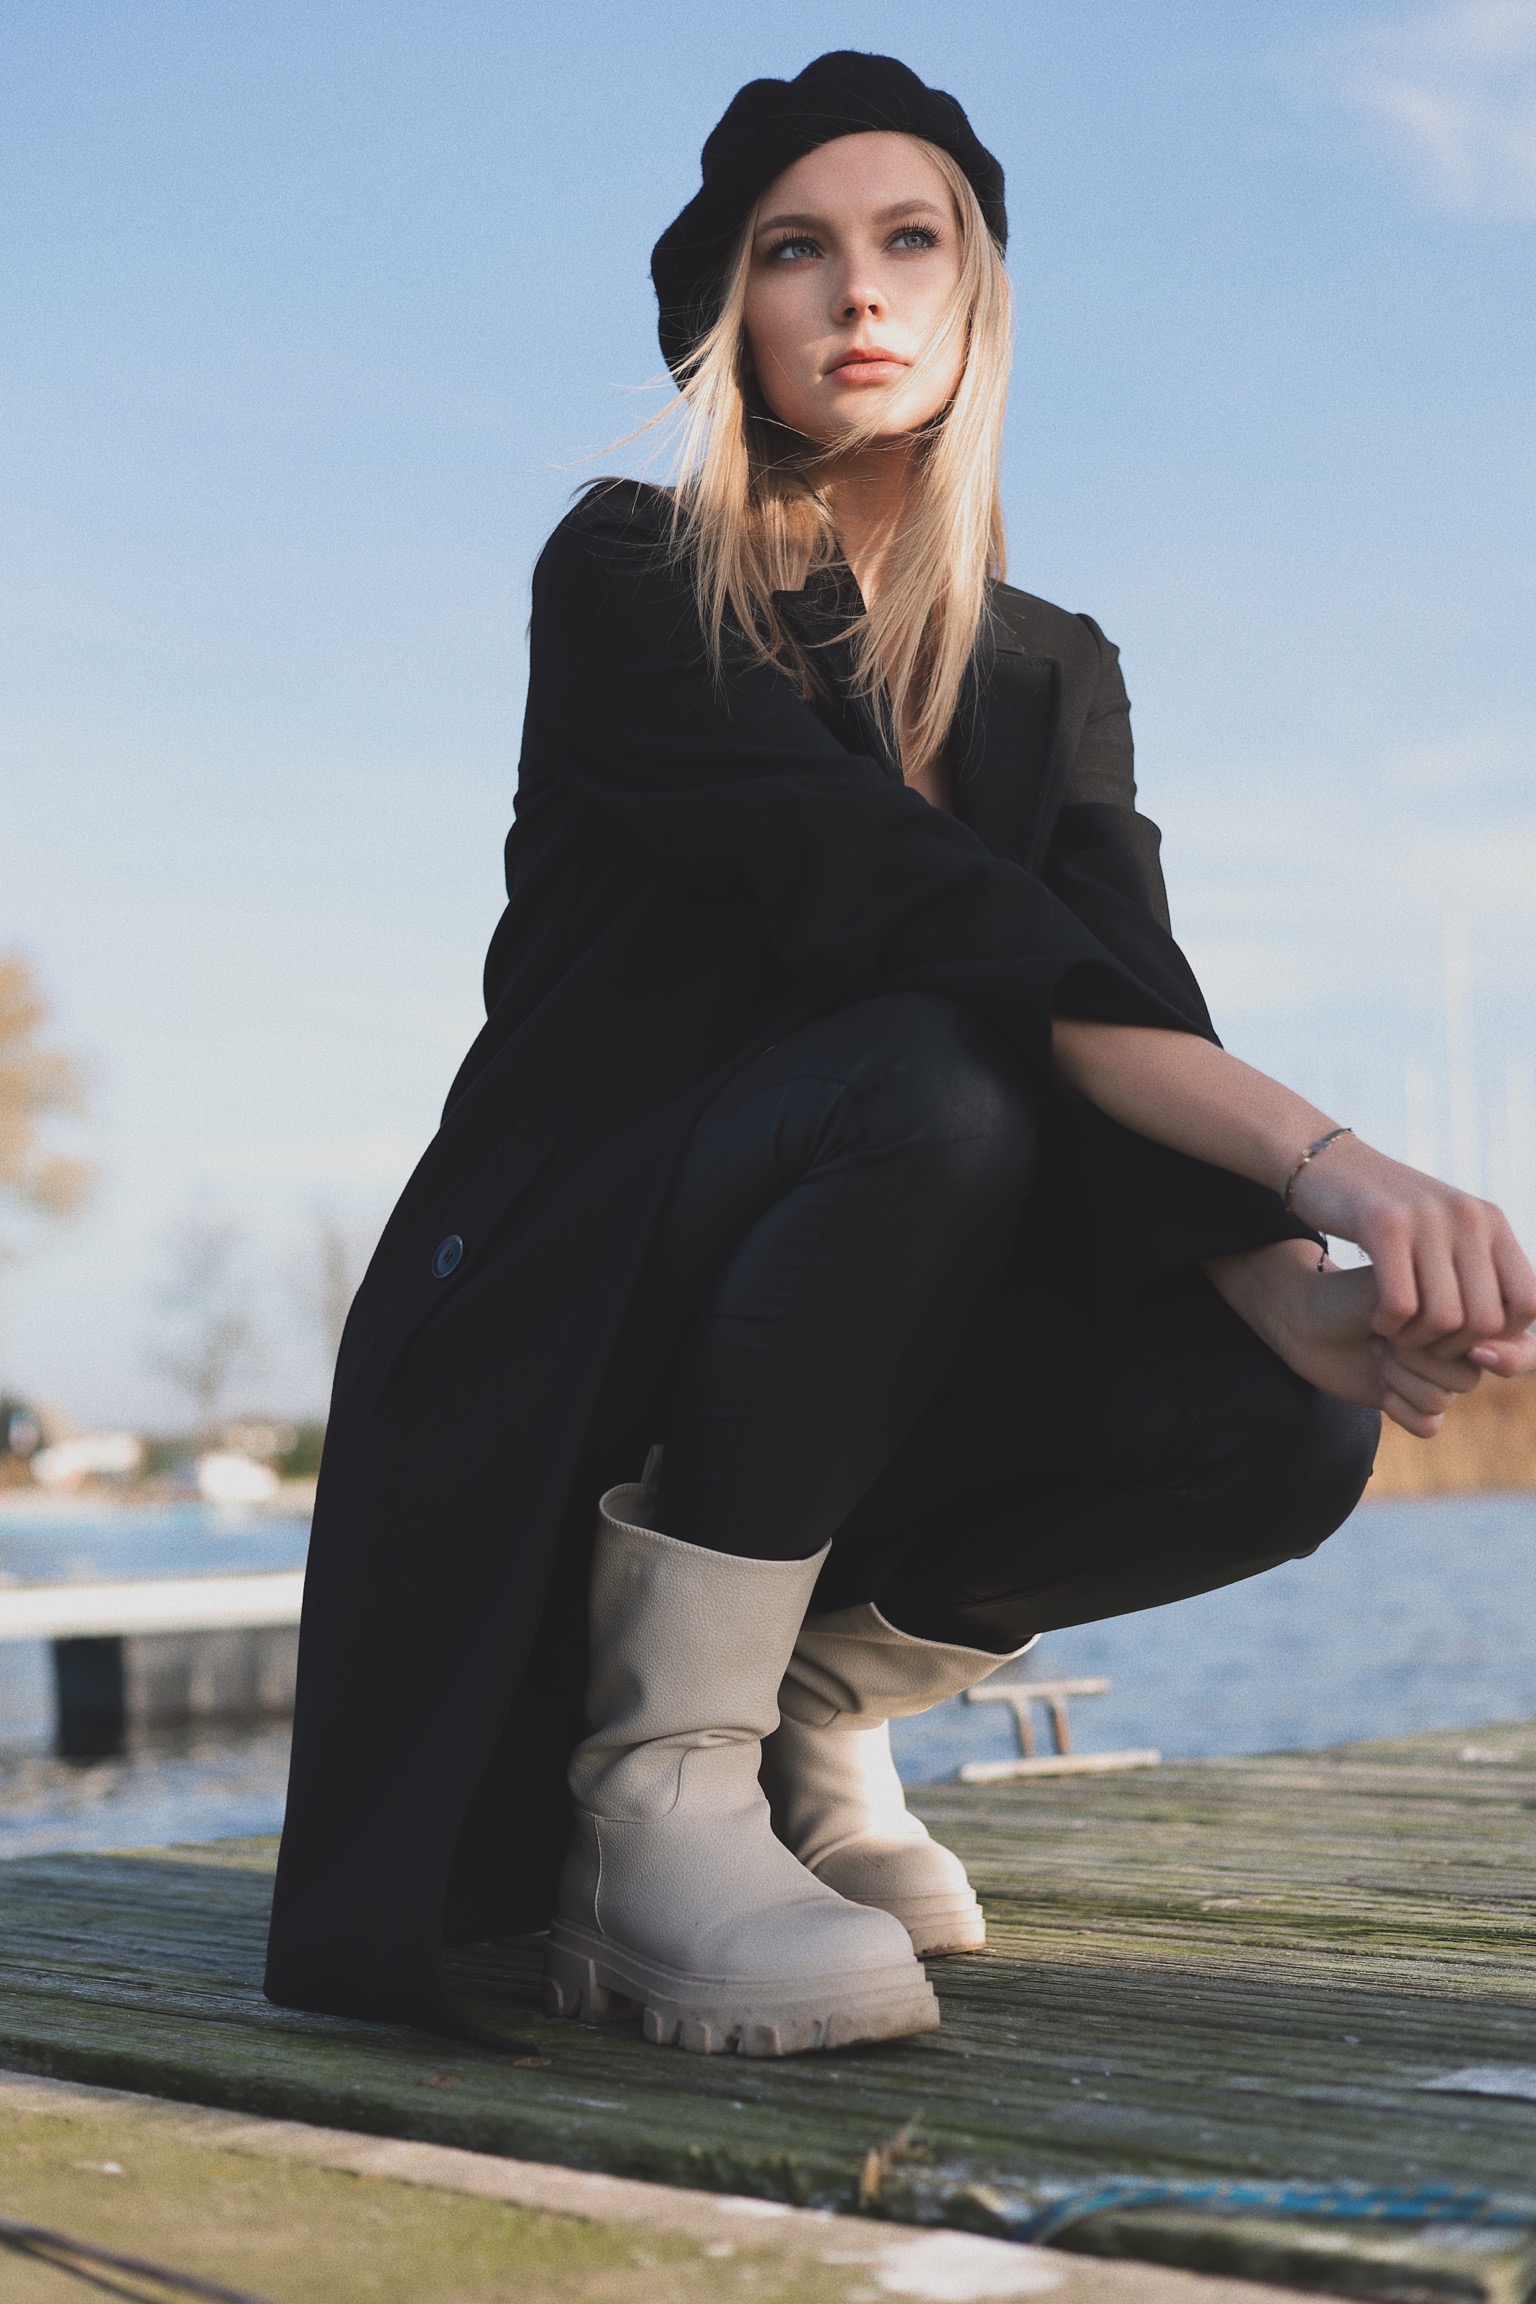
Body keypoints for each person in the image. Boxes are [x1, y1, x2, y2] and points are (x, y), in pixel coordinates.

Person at [264, 52, 1536, 2060]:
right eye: (797, 249)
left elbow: (1125, 987)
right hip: (573, 1304)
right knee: (928, 1074)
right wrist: (1344, 1165)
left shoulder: (1055, 668)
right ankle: (653, 1795)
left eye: (910, 240)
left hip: (865, 1269)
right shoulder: (632, 569)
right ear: (734, 312)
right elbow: (935, 925)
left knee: (1282, 1417)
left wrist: (1288, 1279)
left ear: (976, 294)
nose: (859, 288)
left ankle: (810, 1713)